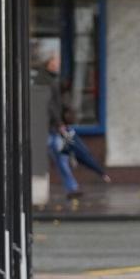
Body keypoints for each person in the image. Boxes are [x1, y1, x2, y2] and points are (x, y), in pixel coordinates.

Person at [41, 52, 110, 200]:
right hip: (51, 127)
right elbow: (51, 105)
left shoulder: (53, 80)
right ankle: (73, 185)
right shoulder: (48, 81)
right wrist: (59, 123)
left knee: (62, 157)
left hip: (54, 127)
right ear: (49, 63)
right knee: (61, 156)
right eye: (56, 61)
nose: (58, 63)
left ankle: (72, 187)